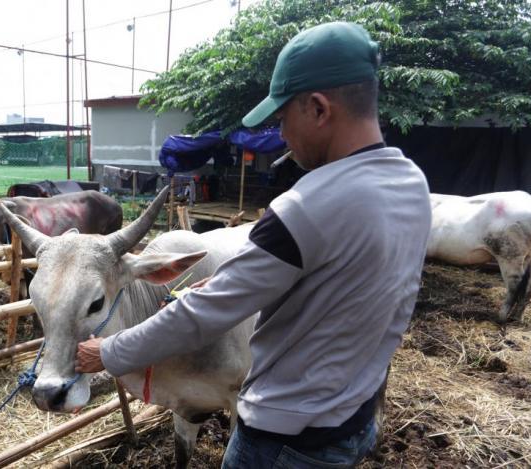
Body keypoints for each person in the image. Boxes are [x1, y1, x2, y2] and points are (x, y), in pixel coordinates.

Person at [76, 21, 432, 468]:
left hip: (285, 441)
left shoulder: (306, 207)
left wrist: (108, 351)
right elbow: (343, 285)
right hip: (356, 419)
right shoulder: (412, 184)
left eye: (283, 118)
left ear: (318, 109)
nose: (281, 135)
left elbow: (204, 316)